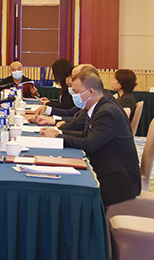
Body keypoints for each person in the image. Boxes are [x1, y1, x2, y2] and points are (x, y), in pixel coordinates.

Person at [41, 70, 140, 206]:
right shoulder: (99, 106)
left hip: (118, 181)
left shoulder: (107, 112)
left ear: (91, 92)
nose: (74, 96)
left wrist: (59, 136)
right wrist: (58, 134)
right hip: (109, 169)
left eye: (76, 92)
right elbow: (87, 134)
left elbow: (90, 144)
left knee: (68, 191)